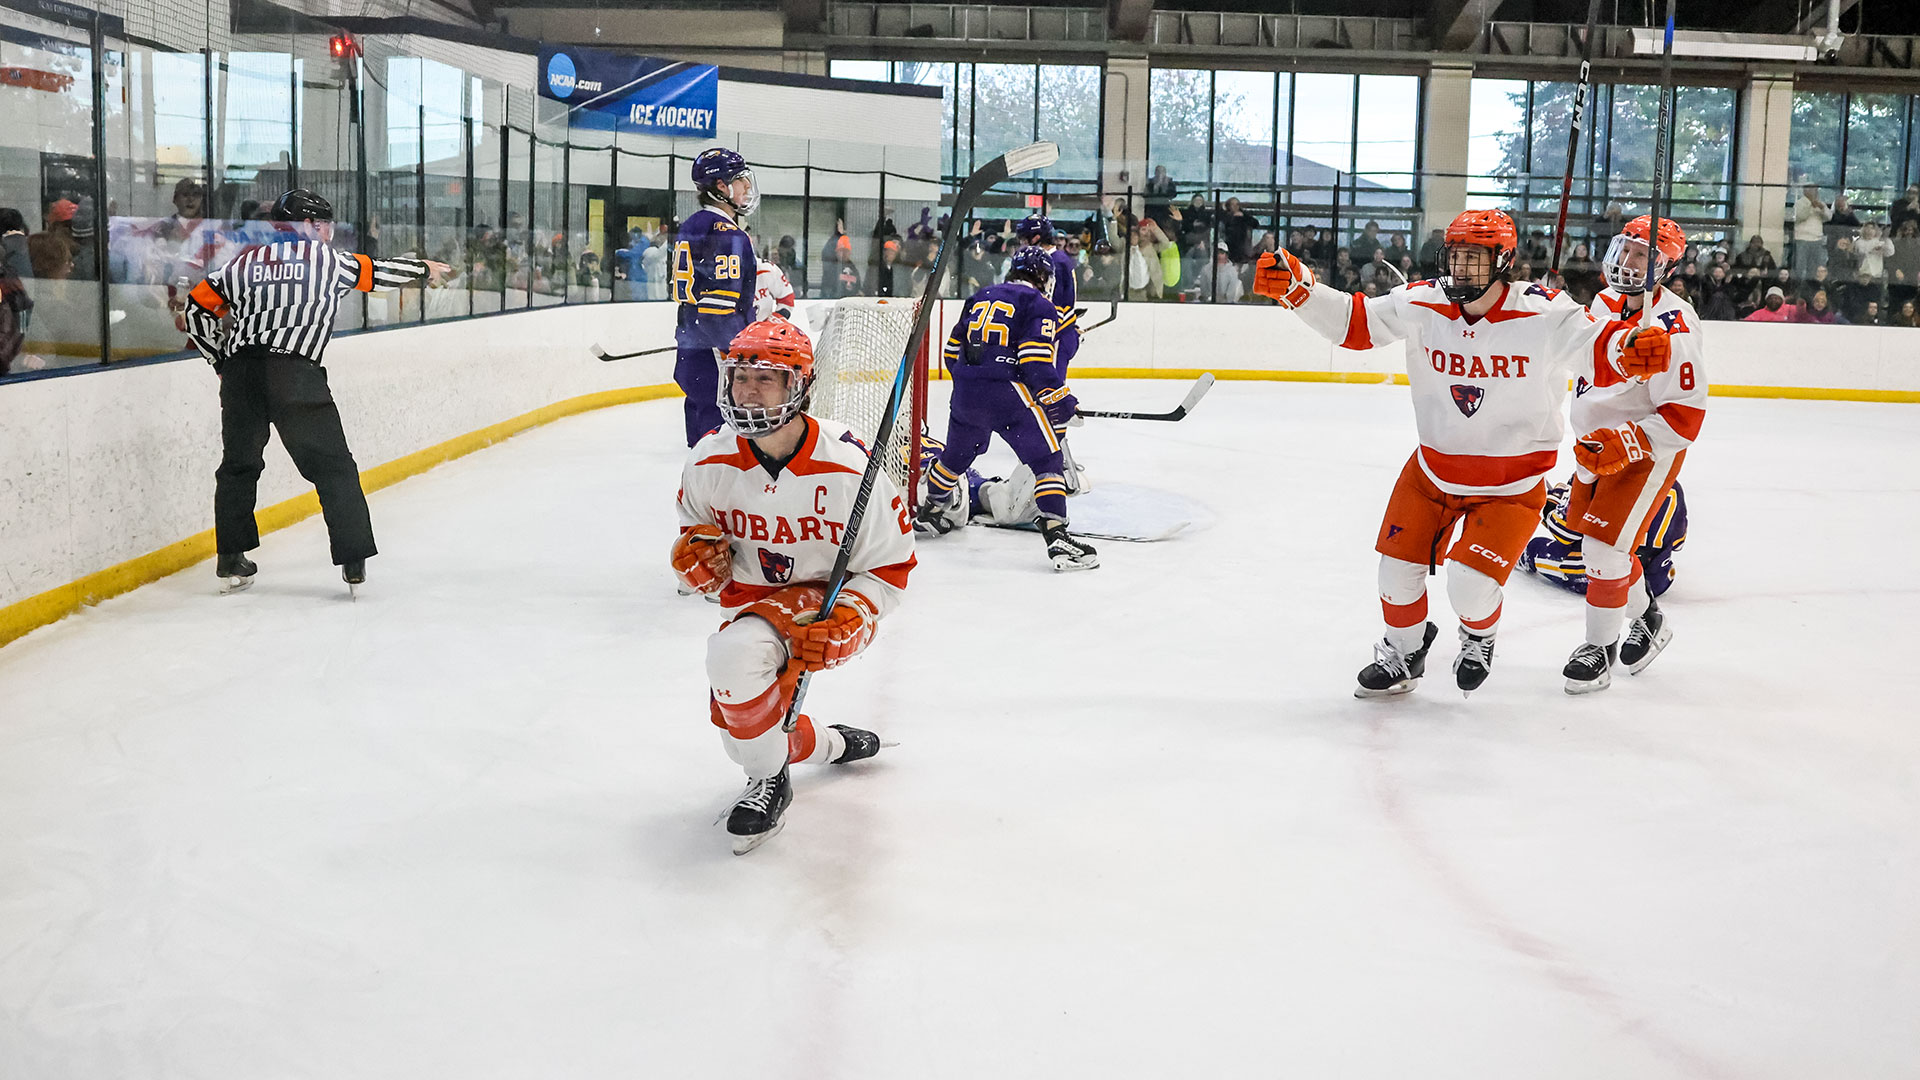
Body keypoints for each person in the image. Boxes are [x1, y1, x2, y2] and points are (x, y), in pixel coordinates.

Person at [1252, 209, 1671, 696]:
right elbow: (1355, 323)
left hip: (1511, 486)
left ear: (1503, 261)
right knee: (1395, 574)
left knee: (1469, 588)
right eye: (1455, 255)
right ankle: (1404, 652)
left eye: (1474, 257)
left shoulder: (1544, 311)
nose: (1460, 267)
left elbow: (1598, 346)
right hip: (1431, 471)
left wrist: (1632, 348)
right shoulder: (1423, 301)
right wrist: (1298, 290)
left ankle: (1479, 636)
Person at [673, 317, 915, 853]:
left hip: (821, 598)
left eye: (766, 378)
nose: (748, 390)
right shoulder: (709, 458)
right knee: (743, 739)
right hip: (748, 601)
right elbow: (695, 534)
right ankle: (830, 745)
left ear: (800, 385)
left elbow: (892, 566)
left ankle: (770, 784)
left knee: (732, 658)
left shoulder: (850, 466)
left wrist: (854, 614)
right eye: (741, 377)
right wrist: (696, 559)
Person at [182, 188, 446, 593]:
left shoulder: (244, 263)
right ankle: (353, 560)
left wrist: (220, 362)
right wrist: (423, 268)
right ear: (307, 225)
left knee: (238, 466)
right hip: (294, 373)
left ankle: (231, 558)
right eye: (323, 224)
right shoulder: (329, 261)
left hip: (241, 376)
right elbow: (378, 274)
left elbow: (196, 307)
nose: (327, 232)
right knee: (334, 467)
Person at [1562, 215, 1708, 692]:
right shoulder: (1604, 301)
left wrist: (1626, 442)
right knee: (1602, 548)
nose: (1628, 260)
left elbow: (1685, 416)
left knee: (1603, 551)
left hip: (1643, 452)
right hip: (1592, 447)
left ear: (1664, 268)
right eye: (1626, 248)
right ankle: (1648, 618)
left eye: (1642, 254)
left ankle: (1599, 650)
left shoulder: (1675, 324)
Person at [918, 247, 1098, 571]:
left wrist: (973, 382)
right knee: (1047, 459)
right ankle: (1057, 536)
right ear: (1043, 276)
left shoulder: (979, 297)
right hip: (1006, 394)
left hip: (966, 391)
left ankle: (931, 511)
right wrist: (1062, 401)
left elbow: (952, 352)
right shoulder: (1039, 304)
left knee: (955, 457)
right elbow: (1035, 361)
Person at [671, 149, 760, 447]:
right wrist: (740, 353)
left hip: (692, 346)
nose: (747, 186)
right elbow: (717, 309)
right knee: (720, 443)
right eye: (740, 180)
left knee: (700, 441)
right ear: (721, 186)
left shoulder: (694, 224)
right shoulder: (726, 234)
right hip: (715, 353)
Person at [1520, 479, 1687, 600]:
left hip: (1603, 578)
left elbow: (1566, 534)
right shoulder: (1671, 483)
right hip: (1657, 580)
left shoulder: (1599, 477)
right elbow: (1678, 542)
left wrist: (1551, 507)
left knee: (1534, 547)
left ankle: (1516, 558)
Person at [1791, 184, 1832, 281]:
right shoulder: (1799, 203)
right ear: (1805, 191)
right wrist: (1810, 207)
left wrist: (1822, 208)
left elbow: (1829, 217)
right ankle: (1799, 285)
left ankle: (1812, 284)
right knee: (1800, 266)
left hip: (1817, 239)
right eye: (1813, 189)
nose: (1815, 192)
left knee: (1815, 266)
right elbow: (1800, 217)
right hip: (1802, 239)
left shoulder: (1820, 203)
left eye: (1816, 190)